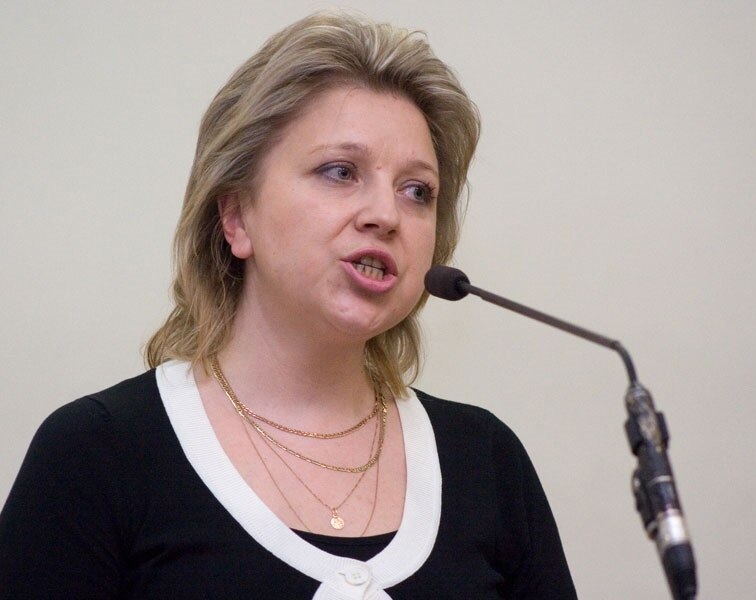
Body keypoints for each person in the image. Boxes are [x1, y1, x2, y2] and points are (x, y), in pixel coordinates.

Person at [0, 11, 576, 599]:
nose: (386, 214)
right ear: (236, 217)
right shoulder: (97, 455)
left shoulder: (486, 461)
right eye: (340, 171)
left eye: (417, 191)